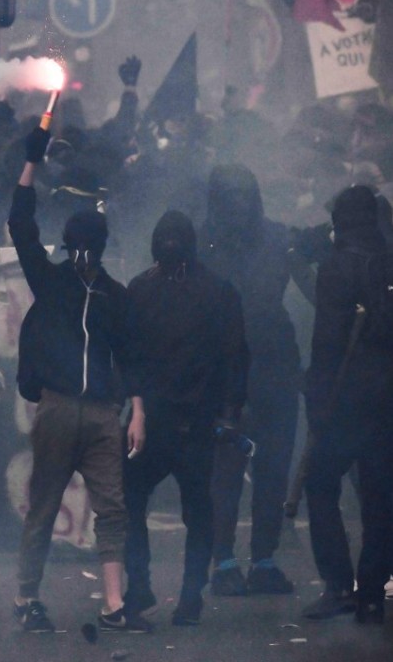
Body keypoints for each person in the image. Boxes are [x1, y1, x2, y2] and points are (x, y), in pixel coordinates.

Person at [7, 126, 149, 633]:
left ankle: (112, 605)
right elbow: (20, 225)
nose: (84, 258)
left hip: (104, 415)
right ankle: (26, 598)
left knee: (112, 511)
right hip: (60, 407)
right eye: (79, 250)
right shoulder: (51, 282)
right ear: (69, 249)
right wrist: (30, 163)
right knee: (43, 507)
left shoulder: (114, 295)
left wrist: (138, 412)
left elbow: (132, 355)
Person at [122, 210, 249, 626]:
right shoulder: (215, 290)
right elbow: (235, 357)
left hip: (165, 420)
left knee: (143, 501)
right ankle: (185, 594)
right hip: (184, 421)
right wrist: (229, 414)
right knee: (195, 508)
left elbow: (130, 356)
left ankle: (149, 589)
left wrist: (135, 408)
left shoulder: (143, 288)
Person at [200, 165, 299, 596]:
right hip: (224, 371)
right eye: (231, 195)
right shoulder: (201, 245)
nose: (239, 203)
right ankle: (223, 561)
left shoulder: (277, 238)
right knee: (224, 471)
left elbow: (316, 287)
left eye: (245, 194)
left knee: (273, 468)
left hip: (274, 365)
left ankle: (263, 559)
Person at [301, 186, 393, 624]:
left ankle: (339, 585)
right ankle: (372, 593)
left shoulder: (338, 268)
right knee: (380, 497)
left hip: (346, 402)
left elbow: (327, 344)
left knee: (319, 483)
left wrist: (316, 403)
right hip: (388, 402)